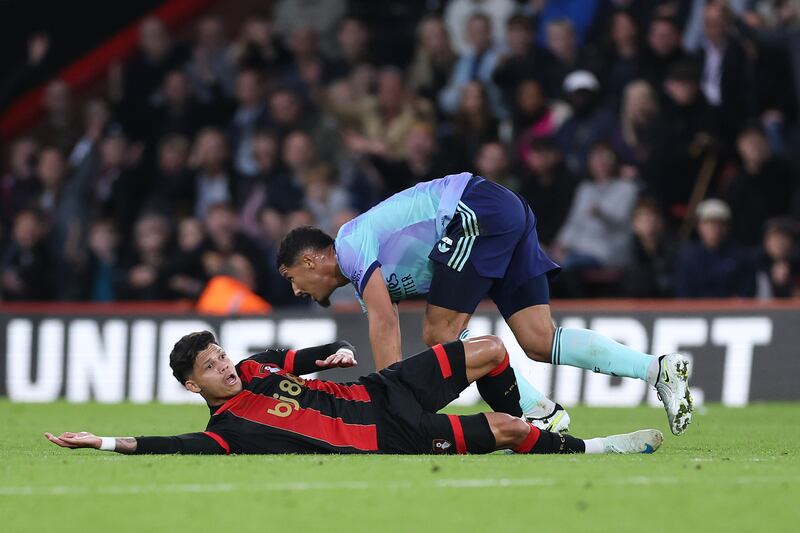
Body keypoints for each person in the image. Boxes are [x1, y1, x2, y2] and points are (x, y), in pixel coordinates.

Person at [276, 173, 694, 436]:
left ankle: (539, 414)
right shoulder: (367, 274)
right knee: (538, 339)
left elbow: (386, 324)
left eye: (293, 278)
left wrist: (391, 412)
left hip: (473, 210)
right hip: (502, 212)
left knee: (440, 331)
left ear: (312, 261)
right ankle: (659, 369)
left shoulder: (349, 244)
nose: (296, 291)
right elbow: (388, 335)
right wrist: (397, 394)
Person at [45, 331, 663, 456]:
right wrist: (100, 441)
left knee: (491, 351)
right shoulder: (225, 434)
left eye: (222, 356)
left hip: (380, 389)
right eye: (212, 367)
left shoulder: (255, 370)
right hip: (390, 436)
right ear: (193, 386)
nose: (227, 368)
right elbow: (166, 445)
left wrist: (328, 357)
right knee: (503, 433)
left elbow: (295, 358)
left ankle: (541, 415)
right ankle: (594, 450)